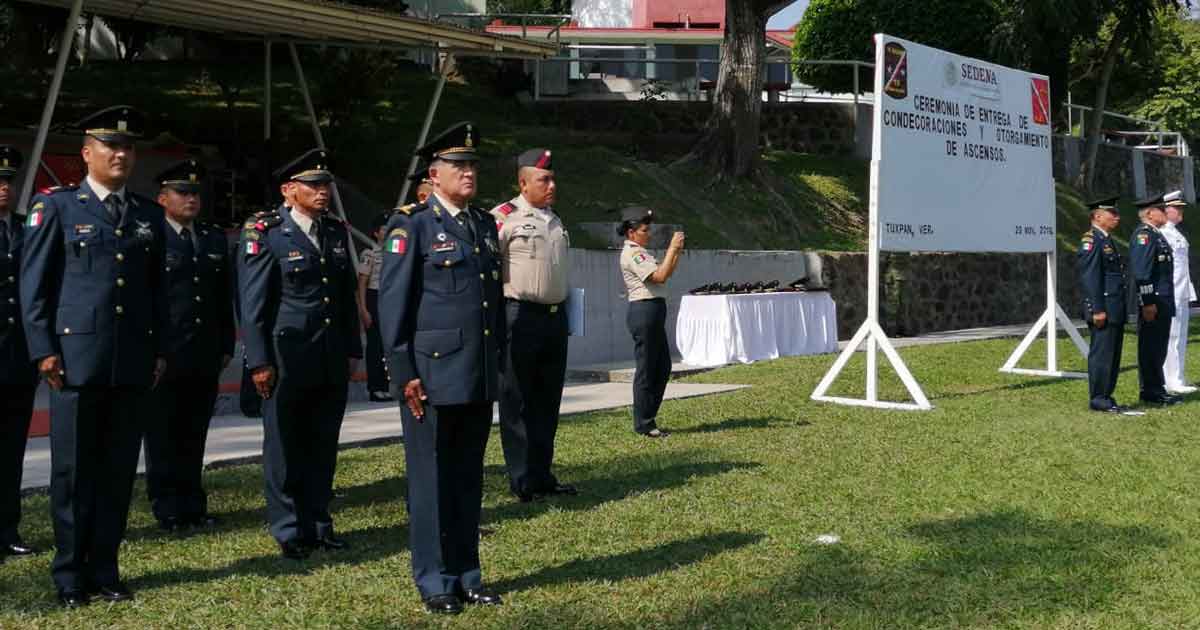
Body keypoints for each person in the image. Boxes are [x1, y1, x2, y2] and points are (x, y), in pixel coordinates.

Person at [21, 105, 168, 607]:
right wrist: (43, 351)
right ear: (87, 154)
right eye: (111, 147)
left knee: (117, 472)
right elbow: (34, 287)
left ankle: (105, 569)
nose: (122, 155)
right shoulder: (57, 208)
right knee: (73, 474)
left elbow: (156, 291)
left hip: (129, 362)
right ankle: (68, 576)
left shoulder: (148, 214)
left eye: (128, 148)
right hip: (75, 363)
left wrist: (158, 349)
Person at [378, 121, 505, 615]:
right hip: (429, 375)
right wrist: (404, 370)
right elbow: (394, 307)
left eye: (473, 165)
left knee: (467, 478)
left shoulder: (482, 224)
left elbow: (490, 302)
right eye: (459, 166)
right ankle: (434, 579)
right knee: (430, 481)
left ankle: (467, 573)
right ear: (434, 174)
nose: (469, 173)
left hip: (475, 371)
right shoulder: (410, 224)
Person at [238, 148, 362, 560]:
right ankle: (290, 528)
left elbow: (344, 298)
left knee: (323, 442)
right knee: (285, 444)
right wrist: (258, 361)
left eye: (326, 185)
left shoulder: (333, 231)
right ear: (289, 190)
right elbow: (254, 304)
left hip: (328, 353)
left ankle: (319, 522)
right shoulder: (266, 231)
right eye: (313, 185)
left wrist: (351, 349)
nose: (323, 192)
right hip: (286, 353)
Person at [143, 159, 234, 532]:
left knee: (195, 431)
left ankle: (193, 502)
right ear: (163, 198)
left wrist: (226, 341)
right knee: (163, 431)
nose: (191, 200)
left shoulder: (211, 237)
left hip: (204, 350)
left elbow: (222, 296)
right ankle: (167, 505)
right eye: (182, 193)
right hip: (166, 352)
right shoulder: (151, 236)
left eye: (195, 193)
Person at [491, 148, 576, 503]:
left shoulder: (555, 220)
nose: (551, 185)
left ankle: (543, 474)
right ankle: (522, 478)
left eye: (553, 178)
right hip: (519, 316)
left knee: (547, 399)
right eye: (544, 179)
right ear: (523, 183)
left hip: (554, 319)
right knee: (518, 400)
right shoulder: (503, 218)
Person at [0, 145, 38, 559]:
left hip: (18, 358)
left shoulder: (29, 228)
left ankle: (7, 528)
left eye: (8, 182)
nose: (3, 189)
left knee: (11, 450)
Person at [618, 207, 684, 437]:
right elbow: (659, 276)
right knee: (647, 369)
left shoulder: (642, 252)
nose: (649, 233)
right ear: (631, 232)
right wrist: (672, 249)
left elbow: (665, 272)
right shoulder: (634, 254)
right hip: (644, 310)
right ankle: (644, 423)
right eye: (644, 230)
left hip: (654, 310)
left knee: (662, 366)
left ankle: (649, 416)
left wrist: (675, 253)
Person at [1078, 196, 1128, 413]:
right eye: (1112, 213)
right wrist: (1097, 309)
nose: (1117, 217)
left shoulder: (1106, 240)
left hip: (1114, 306)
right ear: (1097, 216)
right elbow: (1090, 278)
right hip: (1103, 308)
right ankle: (1098, 398)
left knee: (1113, 354)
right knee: (1102, 354)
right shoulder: (1091, 240)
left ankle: (1107, 395)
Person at [1130, 194, 1180, 406]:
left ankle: (1157, 388)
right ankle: (1150, 390)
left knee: (1159, 347)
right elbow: (1142, 272)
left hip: (1164, 301)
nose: (1165, 212)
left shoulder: (1156, 235)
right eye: (1161, 209)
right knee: (1150, 348)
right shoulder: (1145, 236)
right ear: (1150, 213)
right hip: (1154, 302)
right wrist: (1148, 302)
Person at [1161, 190, 1197, 394]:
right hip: (1171, 291)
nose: (1181, 211)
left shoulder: (1176, 233)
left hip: (1182, 290)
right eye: (1177, 208)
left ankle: (1179, 377)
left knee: (1180, 336)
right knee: (1171, 336)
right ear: (1166, 210)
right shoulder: (1163, 233)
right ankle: (1170, 379)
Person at [357, 212, 392, 402]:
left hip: (390, 298)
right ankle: (375, 387)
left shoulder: (395, 252)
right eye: (384, 229)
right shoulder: (369, 253)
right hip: (374, 297)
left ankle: (387, 386)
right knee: (375, 346)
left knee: (388, 345)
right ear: (376, 233)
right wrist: (363, 309)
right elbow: (362, 283)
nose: (387, 233)